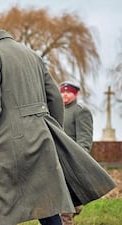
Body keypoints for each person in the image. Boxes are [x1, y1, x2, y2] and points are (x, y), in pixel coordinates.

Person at [0, 12, 116, 225]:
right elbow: (54, 96)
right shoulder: (30, 54)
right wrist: (49, 129)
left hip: (6, 144)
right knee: (47, 200)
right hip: (40, 138)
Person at [59, 81, 93, 225]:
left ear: (76, 94)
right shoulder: (57, 110)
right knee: (63, 197)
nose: (65, 94)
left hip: (71, 161)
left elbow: (84, 140)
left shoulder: (81, 111)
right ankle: (75, 205)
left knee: (65, 201)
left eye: (69, 92)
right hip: (57, 160)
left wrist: (79, 162)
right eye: (63, 91)